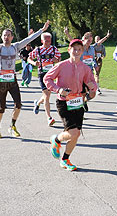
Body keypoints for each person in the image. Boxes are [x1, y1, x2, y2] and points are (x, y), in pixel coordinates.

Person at [46, 39, 97, 171]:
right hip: (64, 102)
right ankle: (56, 139)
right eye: (74, 49)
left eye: (79, 49)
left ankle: (65, 160)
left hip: (78, 102)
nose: (77, 51)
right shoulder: (62, 65)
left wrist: (93, 87)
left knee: (76, 134)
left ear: (83, 51)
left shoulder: (85, 68)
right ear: (69, 50)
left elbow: (91, 81)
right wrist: (58, 89)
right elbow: (47, 78)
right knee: (72, 132)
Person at [30, 32, 61, 126]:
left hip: (52, 73)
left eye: (49, 40)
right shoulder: (38, 50)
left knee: (47, 94)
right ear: (42, 41)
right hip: (42, 74)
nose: (48, 42)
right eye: (46, 40)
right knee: (47, 95)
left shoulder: (54, 49)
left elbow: (59, 58)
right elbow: (29, 58)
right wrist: (33, 63)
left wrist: (56, 60)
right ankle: (49, 117)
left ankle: (38, 103)